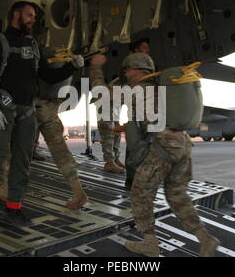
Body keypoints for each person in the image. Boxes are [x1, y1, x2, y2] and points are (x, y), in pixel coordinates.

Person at [89, 53, 220, 257]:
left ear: (134, 69)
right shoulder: (160, 87)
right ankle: (204, 238)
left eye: (127, 70)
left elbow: (100, 93)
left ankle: (150, 243)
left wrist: (95, 67)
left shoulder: (137, 88)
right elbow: (153, 116)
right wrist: (126, 127)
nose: (125, 73)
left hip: (164, 147)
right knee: (177, 195)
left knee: (140, 194)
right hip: (182, 145)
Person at [0, 1, 84, 235]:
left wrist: (72, 67)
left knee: (22, 161)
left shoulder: (33, 45)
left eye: (34, 16)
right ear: (16, 14)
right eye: (29, 15)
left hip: (27, 110)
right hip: (3, 108)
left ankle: (14, 207)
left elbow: (47, 76)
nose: (33, 19)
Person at [0, 95, 89, 210]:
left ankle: (6, 188)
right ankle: (78, 191)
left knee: (15, 149)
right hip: (51, 108)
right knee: (61, 152)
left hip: (31, 107)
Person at [124, 38, 151, 188]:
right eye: (144, 47)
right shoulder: (132, 67)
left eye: (147, 48)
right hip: (134, 112)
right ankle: (132, 178)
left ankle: (138, 179)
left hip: (148, 115)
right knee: (133, 145)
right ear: (136, 50)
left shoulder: (149, 68)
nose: (147, 51)